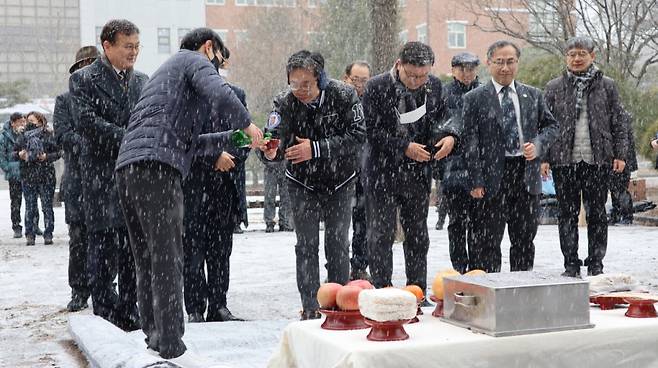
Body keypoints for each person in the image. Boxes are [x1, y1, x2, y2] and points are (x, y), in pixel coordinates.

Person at [115, 27, 260, 365]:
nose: (219, 69)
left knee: (148, 258)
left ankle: (154, 336)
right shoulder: (193, 60)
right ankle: (171, 345)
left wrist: (241, 137)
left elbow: (193, 144)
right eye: (219, 61)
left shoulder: (167, 77)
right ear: (209, 47)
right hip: (157, 168)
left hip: (129, 167)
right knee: (168, 258)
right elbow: (222, 95)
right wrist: (249, 123)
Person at [259, 50, 365, 320]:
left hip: (340, 180)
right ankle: (310, 305)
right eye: (294, 84)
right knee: (305, 245)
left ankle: (338, 302)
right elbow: (273, 137)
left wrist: (316, 148)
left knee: (337, 242)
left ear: (320, 79)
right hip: (301, 183)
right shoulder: (284, 102)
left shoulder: (344, 95)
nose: (300, 90)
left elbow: (357, 136)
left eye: (306, 84)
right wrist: (270, 150)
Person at [362, 42, 457, 299]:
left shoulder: (434, 86)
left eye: (422, 75)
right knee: (381, 234)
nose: (417, 81)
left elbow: (445, 118)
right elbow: (371, 131)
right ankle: (382, 291)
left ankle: (417, 291)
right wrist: (403, 146)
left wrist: (450, 136)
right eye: (411, 75)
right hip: (382, 171)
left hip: (418, 173)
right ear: (398, 65)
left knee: (417, 235)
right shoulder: (376, 86)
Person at [69, 19, 145, 331]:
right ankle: (103, 311)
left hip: (134, 176)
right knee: (102, 247)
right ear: (107, 46)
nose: (133, 52)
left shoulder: (143, 81)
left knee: (132, 249)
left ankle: (130, 307)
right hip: (101, 176)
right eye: (128, 46)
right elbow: (87, 122)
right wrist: (130, 137)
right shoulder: (84, 80)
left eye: (137, 46)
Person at [464, 40, 559, 273]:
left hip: (525, 174)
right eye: (499, 62)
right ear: (488, 63)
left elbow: (552, 127)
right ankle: (491, 290)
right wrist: (475, 180)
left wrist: (537, 145)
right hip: (491, 177)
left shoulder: (532, 95)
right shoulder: (475, 98)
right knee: (488, 241)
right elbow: (470, 142)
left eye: (510, 62)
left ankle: (521, 290)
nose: (505, 68)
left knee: (524, 239)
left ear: (517, 63)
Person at [544, 36, 627, 277]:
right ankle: (570, 263)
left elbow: (618, 122)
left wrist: (620, 153)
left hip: (597, 158)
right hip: (564, 159)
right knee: (566, 214)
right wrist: (545, 157)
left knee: (597, 213)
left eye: (582, 53)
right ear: (566, 58)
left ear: (593, 56)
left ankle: (595, 263)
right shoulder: (554, 87)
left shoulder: (607, 86)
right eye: (572, 54)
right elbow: (545, 124)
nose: (577, 58)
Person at [182, 45, 248, 324]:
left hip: (225, 185)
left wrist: (230, 157)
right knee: (192, 250)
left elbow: (245, 138)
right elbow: (180, 140)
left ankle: (219, 304)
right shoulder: (183, 97)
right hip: (193, 185)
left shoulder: (236, 95)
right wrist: (213, 157)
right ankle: (195, 307)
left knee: (221, 251)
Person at [54, 45, 100, 312]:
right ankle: (80, 289)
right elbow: (62, 135)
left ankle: (105, 284)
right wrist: (93, 141)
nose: (90, 69)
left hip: (105, 181)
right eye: (86, 64)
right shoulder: (65, 100)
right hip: (78, 181)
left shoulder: (107, 96)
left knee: (107, 237)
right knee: (80, 239)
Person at [439, 52, 482, 274]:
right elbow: (441, 126)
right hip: (452, 167)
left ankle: (477, 266)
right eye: (462, 68)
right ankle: (459, 267)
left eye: (471, 68)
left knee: (479, 222)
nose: (467, 73)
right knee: (456, 222)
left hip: (480, 168)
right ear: (454, 69)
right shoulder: (443, 94)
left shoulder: (484, 92)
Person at [342, 60, 371, 280]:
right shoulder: (337, 100)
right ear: (346, 78)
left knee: (363, 223)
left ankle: (360, 266)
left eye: (364, 80)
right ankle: (337, 266)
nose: (359, 85)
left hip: (367, 172)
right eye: (355, 80)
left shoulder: (372, 102)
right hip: (341, 172)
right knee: (338, 227)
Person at [13, 112, 60, 246]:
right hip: (28, 176)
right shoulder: (22, 137)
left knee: (47, 207)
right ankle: (30, 235)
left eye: (32, 121)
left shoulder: (48, 135)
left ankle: (48, 234)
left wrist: (47, 157)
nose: (29, 123)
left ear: (40, 122)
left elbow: (58, 152)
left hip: (46, 176)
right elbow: (13, 153)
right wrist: (20, 154)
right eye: (28, 121)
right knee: (30, 207)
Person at [0, 112, 26, 238]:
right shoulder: (4, 136)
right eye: (20, 122)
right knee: (15, 201)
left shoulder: (26, 133)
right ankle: (16, 226)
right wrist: (8, 168)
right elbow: (2, 155)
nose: (23, 124)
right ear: (13, 123)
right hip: (14, 173)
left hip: (28, 171)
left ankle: (33, 225)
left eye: (24, 121)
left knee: (30, 200)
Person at [608, 110, 637, 225]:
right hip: (620, 158)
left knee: (619, 189)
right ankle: (617, 214)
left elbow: (623, 141)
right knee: (615, 188)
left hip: (622, 159)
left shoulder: (619, 117)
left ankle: (626, 216)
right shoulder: (619, 116)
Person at [262, 160, 293, 233]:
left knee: (286, 197)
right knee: (269, 196)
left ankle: (285, 221)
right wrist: (265, 159)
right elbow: (259, 149)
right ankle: (269, 222)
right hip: (270, 167)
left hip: (286, 167)